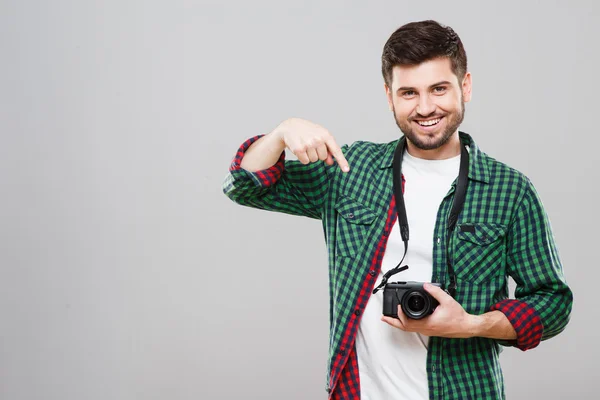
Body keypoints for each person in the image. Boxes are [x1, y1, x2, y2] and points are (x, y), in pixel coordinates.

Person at [222, 20, 572, 400]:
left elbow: (552, 302)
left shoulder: (509, 190)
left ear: (465, 86)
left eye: (439, 88)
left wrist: (471, 324)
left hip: (465, 391)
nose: (425, 108)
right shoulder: (350, 171)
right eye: (409, 92)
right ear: (389, 96)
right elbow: (245, 187)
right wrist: (281, 132)